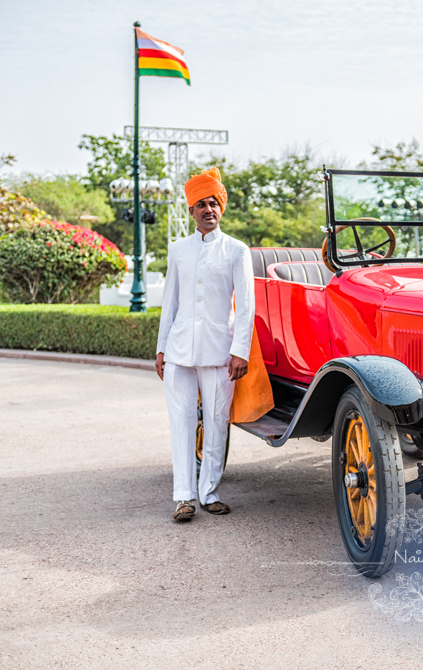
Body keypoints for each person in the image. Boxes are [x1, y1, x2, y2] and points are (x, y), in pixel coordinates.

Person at [155, 167, 255, 521]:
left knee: (215, 423)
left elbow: (245, 307)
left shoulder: (237, 251)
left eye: (213, 203)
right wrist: (161, 347)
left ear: (221, 209)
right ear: (191, 211)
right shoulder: (178, 249)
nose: (208, 209)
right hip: (179, 352)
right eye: (201, 204)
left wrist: (240, 351)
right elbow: (171, 301)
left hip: (219, 352)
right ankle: (183, 497)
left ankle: (209, 492)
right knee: (181, 422)